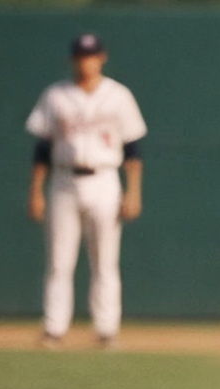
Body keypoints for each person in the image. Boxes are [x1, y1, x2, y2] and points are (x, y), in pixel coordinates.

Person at [26, 33, 147, 349]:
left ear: (102, 58)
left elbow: (133, 149)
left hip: (105, 179)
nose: (86, 61)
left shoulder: (119, 95)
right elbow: (42, 148)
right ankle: (54, 328)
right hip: (64, 181)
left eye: (91, 55)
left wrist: (133, 192)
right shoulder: (56, 95)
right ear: (73, 59)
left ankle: (106, 330)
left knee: (105, 260)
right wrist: (36, 190)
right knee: (58, 260)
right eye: (81, 55)